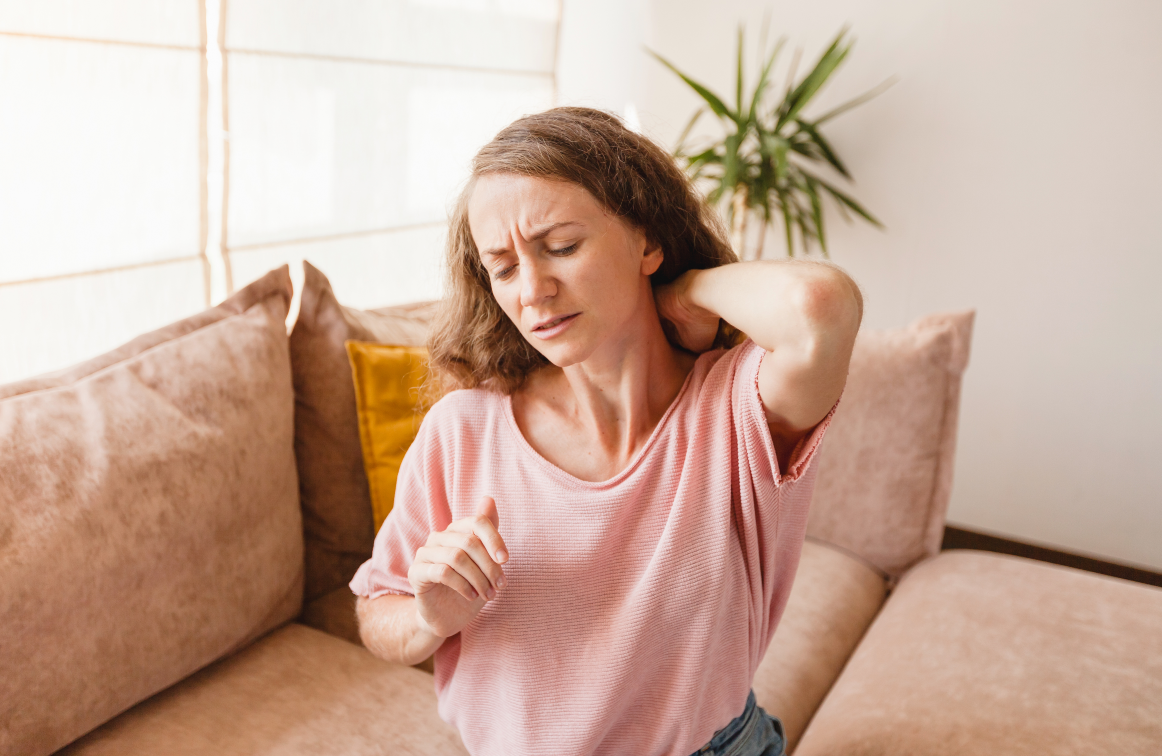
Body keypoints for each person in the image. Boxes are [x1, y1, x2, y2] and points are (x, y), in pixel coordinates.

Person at [350, 107, 862, 756]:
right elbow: (376, 610)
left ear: (646, 242)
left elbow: (821, 309)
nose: (532, 289)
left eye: (561, 246)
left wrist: (687, 292)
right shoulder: (463, 430)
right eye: (503, 267)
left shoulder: (735, 407)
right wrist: (429, 617)